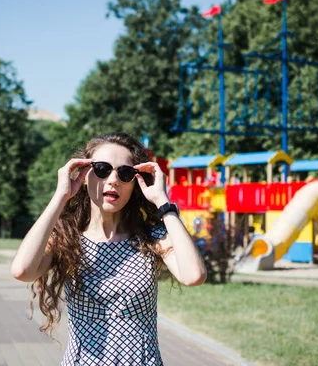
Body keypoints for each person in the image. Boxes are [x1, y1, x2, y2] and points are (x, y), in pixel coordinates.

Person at [11, 132, 207, 365]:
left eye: (125, 173)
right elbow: (23, 270)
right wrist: (60, 196)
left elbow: (194, 275)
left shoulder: (151, 237)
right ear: (84, 175)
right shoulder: (67, 237)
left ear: (135, 182)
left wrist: (163, 203)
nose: (113, 179)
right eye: (102, 169)